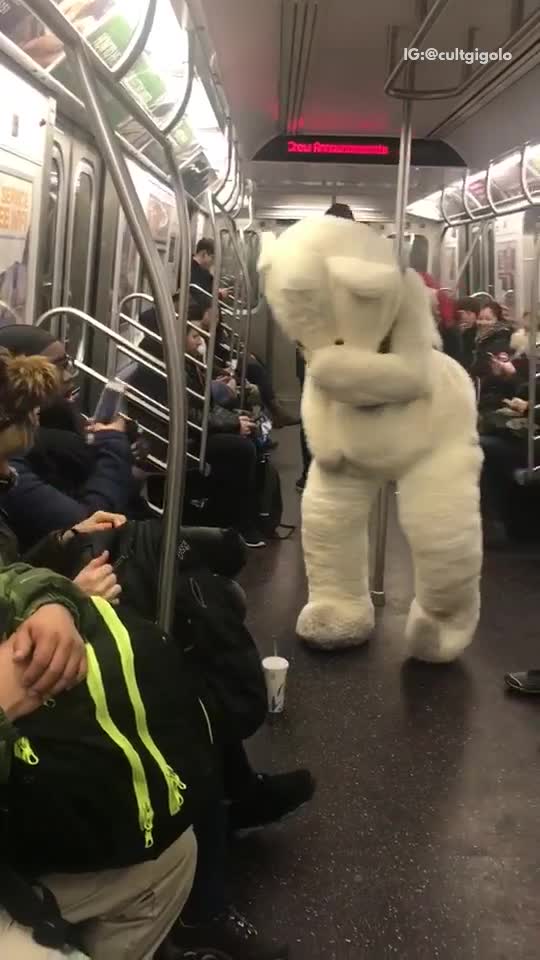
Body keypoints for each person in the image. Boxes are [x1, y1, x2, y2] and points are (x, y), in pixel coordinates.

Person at [0, 347, 300, 960]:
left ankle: (225, 786)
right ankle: (203, 877)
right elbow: (87, 498)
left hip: (40, 611)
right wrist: (108, 454)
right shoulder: (24, 466)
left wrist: (53, 578)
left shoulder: (17, 469)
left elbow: (23, 561)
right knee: (177, 663)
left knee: (190, 625)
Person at [0, 325, 135, 551]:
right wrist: (114, 446)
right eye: (56, 367)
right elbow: (88, 520)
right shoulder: (13, 454)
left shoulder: (66, 427)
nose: (68, 375)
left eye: (67, 363)